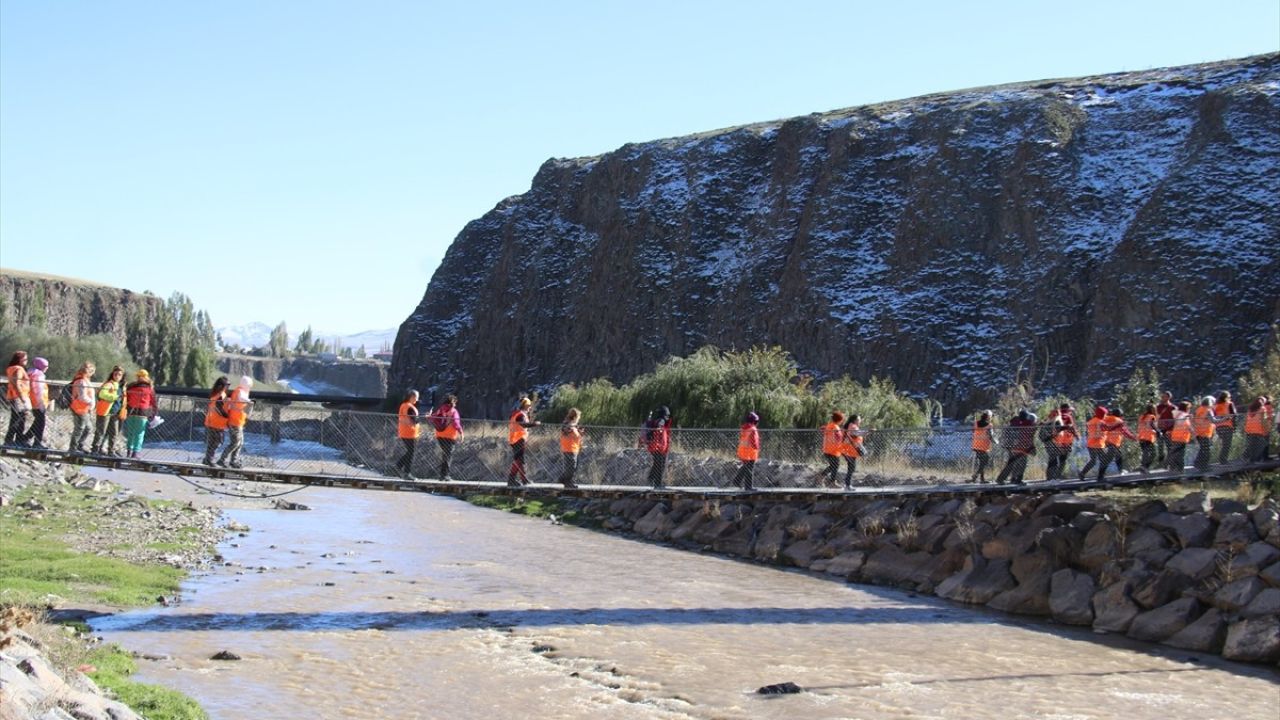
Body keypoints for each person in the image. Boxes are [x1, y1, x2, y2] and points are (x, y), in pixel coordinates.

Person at [218, 376, 253, 468]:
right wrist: (250, 401)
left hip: (238, 421)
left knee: (239, 443)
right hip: (235, 422)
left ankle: (233, 461)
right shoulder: (240, 392)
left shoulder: (241, 391)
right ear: (246, 384)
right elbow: (241, 398)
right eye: (249, 385)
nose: (250, 387)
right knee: (235, 442)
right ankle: (222, 459)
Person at [91, 366, 126, 456]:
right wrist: (114, 397)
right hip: (105, 412)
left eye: (120, 375)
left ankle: (111, 451)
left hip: (116, 413)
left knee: (114, 433)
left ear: (122, 376)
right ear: (112, 374)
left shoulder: (122, 386)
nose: (117, 376)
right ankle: (95, 450)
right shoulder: (109, 384)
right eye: (116, 374)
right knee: (101, 431)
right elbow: (102, 394)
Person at [123, 369, 158, 459]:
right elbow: (153, 403)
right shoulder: (149, 389)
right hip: (142, 413)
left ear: (137, 377)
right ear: (147, 377)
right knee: (139, 434)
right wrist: (154, 414)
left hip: (130, 412)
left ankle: (129, 451)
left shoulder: (131, 387)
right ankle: (136, 452)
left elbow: (126, 398)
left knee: (131, 433)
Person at [996, 410, 1036, 485]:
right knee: (1022, 464)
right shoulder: (1026, 425)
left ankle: (1003, 479)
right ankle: (1018, 480)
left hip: (1012, 447)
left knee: (1012, 464)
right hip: (1021, 448)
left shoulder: (1014, 423)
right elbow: (1027, 438)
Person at [507, 396, 539, 487]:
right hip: (518, 439)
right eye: (528, 405)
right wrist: (534, 424)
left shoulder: (518, 413)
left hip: (516, 439)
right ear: (524, 405)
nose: (530, 407)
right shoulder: (520, 414)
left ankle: (523, 479)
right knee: (519, 460)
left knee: (519, 460)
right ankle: (511, 479)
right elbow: (524, 425)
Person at [430, 394, 463, 480]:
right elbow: (456, 423)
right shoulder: (453, 411)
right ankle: (445, 475)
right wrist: (461, 433)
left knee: (445, 454)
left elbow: (433, 417)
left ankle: (442, 475)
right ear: (453, 402)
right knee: (448, 455)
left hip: (440, 435)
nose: (455, 404)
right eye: (455, 402)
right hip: (450, 436)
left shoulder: (441, 409)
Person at [1099, 408, 1137, 481]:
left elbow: (1101, 428)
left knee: (1118, 455)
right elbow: (1125, 432)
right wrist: (1134, 438)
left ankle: (1120, 470)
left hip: (1106, 441)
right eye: (1122, 415)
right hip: (1113, 442)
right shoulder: (1119, 421)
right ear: (1120, 415)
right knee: (1108, 459)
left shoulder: (1106, 419)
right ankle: (1100, 476)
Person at [67, 362, 97, 453]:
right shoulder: (81, 381)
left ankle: (79, 445)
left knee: (88, 428)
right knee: (79, 428)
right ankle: (73, 448)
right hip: (79, 408)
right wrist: (91, 402)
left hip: (84, 408)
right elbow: (82, 396)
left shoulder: (84, 380)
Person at [640, 406, 673, 489]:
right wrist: (659, 427)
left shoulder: (656, 420)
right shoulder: (661, 421)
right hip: (658, 447)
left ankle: (651, 479)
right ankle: (657, 484)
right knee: (660, 465)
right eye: (667, 415)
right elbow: (659, 426)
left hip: (656, 447)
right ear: (664, 414)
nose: (667, 417)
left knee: (657, 464)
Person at [4, 351, 31, 447]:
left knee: (19, 418)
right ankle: (10, 440)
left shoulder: (11, 368)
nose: (27, 361)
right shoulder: (19, 369)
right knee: (17, 419)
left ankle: (15, 439)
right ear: (19, 359)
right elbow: (17, 383)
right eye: (25, 359)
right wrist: (22, 397)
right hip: (18, 397)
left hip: (13, 396)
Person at [202, 376, 231, 466]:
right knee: (219, 442)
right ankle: (210, 459)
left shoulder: (215, 394)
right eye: (227, 385)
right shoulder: (221, 395)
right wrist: (227, 416)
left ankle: (207, 459)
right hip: (217, 423)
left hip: (211, 421)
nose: (228, 387)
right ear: (222, 386)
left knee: (211, 442)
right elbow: (219, 407)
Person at [22, 357, 50, 449]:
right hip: (38, 402)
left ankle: (26, 437)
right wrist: (41, 403)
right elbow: (38, 390)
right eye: (45, 366)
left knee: (38, 421)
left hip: (32, 401)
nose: (47, 368)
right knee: (41, 422)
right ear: (41, 366)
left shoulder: (31, 373)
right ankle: (37, 443)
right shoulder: (38, 375)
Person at [1078, 406, 1109, 480]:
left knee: (1093, 461)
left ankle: (1082, 473)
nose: (1105, 416)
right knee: (1105, 460)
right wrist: (1104, 434)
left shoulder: (1091, 421)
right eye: (1105, 414)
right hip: (1098, 444)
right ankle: (1101, 477)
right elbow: (1098, 434)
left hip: (1090, 444)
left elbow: (1090, 432)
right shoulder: (1100, 422)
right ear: (1101, 414)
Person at [733, 411, 760, 491]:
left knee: (746, 467)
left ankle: (737, 481)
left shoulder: (744, 428)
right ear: (755, 421)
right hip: (750, 452)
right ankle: (748, 487)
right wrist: (757, 448)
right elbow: (754, 441)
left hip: (743, 451)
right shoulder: (753, 429)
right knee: (749, 469)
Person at [1191, 396, 1218, 471]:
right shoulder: (1208, 410)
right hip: (1205, 433)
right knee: (1206, 450)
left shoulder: (1198, 410)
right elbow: (1214, 421)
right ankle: (1204, 466)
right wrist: (1224, 419)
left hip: (1198, 433)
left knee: (1203, 449)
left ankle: (1198, 463)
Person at [558, 407, 583, 488]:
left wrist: (579, 431)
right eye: (579, 417)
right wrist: (573, 427)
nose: (579, 419)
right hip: (569, 448)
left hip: (574, 448)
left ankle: (562, 479)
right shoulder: (567, 424)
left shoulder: (573, 426)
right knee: (571, 466)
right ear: (575, 417)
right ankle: (567, 482)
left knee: (573, 466)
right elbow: (565, 430)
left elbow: (574, 434)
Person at [820, 411, 845, 487]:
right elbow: (838, 438)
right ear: (840, 420)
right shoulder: (835, 427)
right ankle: (830, 481)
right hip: (833, 450)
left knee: (833, 466)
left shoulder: (829, 425)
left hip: (827, 449)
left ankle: (824, 478)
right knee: (835, 466)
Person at [1050, 412, 1079, 480]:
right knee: (1060, 460)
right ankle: (1056, 476)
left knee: (1061, 460)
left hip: (1063, 444)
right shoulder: (1064, 425)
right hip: (1062, 444)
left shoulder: (1061, 424)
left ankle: (1057, 475)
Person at [1166, 401, 1194, 471]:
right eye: (1189, 408)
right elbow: (1180, 421)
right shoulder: (1182, 415)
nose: (1189, 409)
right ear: (1186, 408)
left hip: (1178, 438)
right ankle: (1179, 470)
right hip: (1180, 438)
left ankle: (1173, 468)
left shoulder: (1180, 415)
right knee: (1179, 454)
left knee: (1176, 453)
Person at [1244, 396, 1271, 462]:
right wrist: (1266, 430)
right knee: (1261, 446)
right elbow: (1263, 421)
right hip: (1258, 430)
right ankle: (1256, 461)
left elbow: (1246, 420)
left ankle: (1251, 461)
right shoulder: (1262, 409)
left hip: (1249, 431)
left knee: (1252, 447)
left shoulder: (1250, 409)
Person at [841, 416, 866, 489]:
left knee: (851, 467)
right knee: (851, 467)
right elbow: (855, 434)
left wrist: (866, 432)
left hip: (850, 450)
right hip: (850, 450)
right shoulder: (853, 426)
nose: (860, 420)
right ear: (855, 420)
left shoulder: (851, 426)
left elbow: (856, 435)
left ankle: (847, 484)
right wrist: (868, 432)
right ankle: (847, 485)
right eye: (859, 419)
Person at [971, 410, 995, 483]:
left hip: (976, 445)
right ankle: (976, 475)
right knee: (985, 461)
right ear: (988, 417)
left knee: (982, 462)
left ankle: (982, 479)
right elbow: (991, 436)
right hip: (983, 446)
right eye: (991, 417)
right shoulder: (989, 425)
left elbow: (973, 431)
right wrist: (996, 441)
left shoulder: (975, 423)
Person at [1214, 391, 1238, 464]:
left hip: (1218, 426)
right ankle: (1223, 460)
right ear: (1227, 397)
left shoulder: (1216, 405)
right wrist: (1234, 426)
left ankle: (1222, 459)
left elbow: (1214, 416)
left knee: (1223, 444)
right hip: (1227, 425)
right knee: (1227, 444)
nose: (1230, 398)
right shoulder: (1230, 404)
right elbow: (1234, 415)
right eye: (1229, 397)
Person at [1155, 391, 1176, 463]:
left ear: (1168, 397)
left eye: (1164, 396)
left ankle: (1169, 462)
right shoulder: (1158, 407)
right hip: (1160, 429)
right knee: (1160, 447)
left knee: (1169, 447)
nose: (1162, 398)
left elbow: (1176, 419)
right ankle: (1161, 463)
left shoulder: (1173, 407)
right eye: (1162, 396)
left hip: (1169, 430)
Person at [1137, 403, 1159, 472]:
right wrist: (1158, 432)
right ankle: (1145, 467)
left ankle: (1144, 467)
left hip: (1141, 437)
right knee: (1153, 453)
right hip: (1148, 437)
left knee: (1145, 453)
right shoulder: (1151, 417)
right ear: (1153, 409)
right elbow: (1153, 426)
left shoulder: (1142, 417)